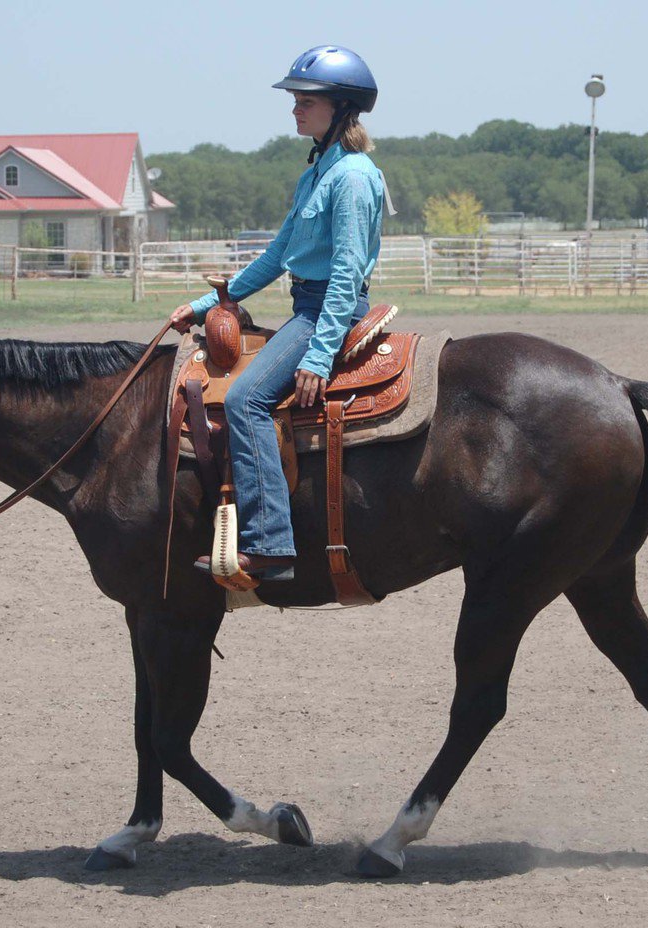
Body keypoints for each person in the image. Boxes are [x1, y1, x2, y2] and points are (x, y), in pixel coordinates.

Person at [170, 45, 385, 582]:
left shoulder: (353, 177)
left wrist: (318, 354)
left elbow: (345, 274)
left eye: (305, 101)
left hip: (325, 312)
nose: (294, 110)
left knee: (245, 399)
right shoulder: (315, 175)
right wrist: (206, 305)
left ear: (340, 107)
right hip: (307, 305)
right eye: (294, 100)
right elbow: (274, 258)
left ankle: (269, 544)